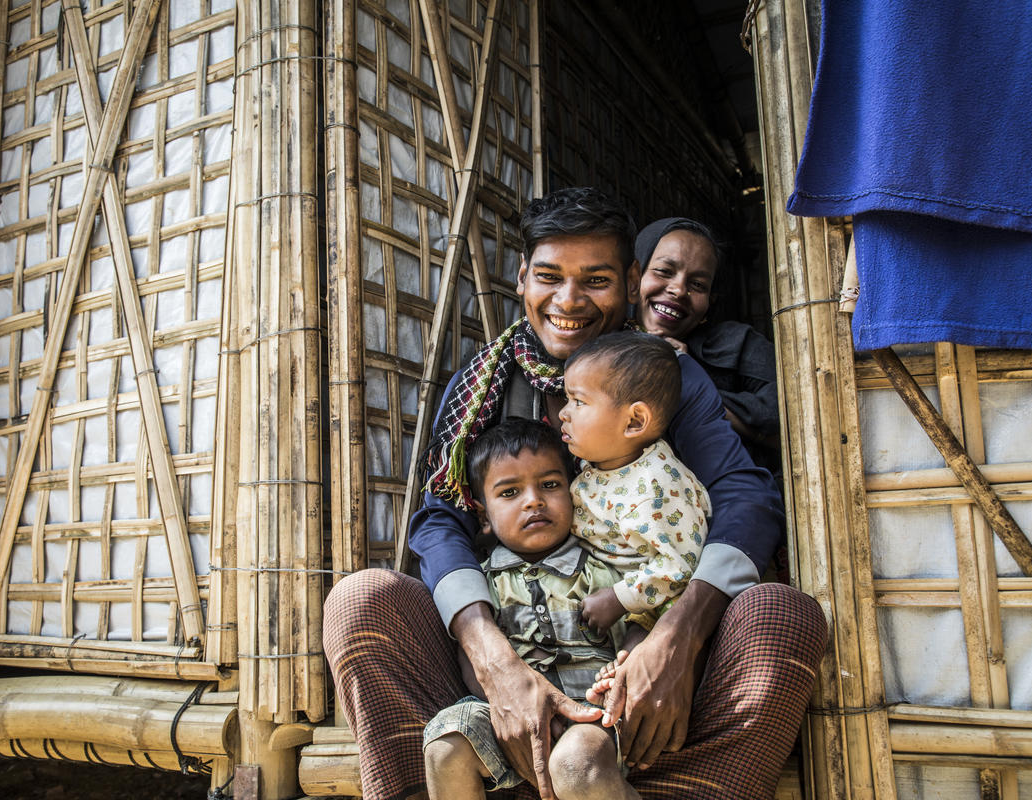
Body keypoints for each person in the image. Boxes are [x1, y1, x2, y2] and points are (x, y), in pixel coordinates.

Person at [324, 187, 827, 800]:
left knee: (782, 616)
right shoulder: (479, 386)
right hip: (501, 675)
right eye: (549, 277)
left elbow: (745, 494)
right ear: (520, 279)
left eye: (596, 279)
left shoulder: (659, 374)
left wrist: (678, 638)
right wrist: (491, 657)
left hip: (638, 675)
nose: (568, 301)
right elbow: (439, 520)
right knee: (362, 600)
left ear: (631, 280)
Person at [422, 419, 643, 800]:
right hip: (504, 717)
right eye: (510, 492)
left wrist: (628, 667)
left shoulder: (601, 570)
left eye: (550, 485)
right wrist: (502, 706)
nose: (533, 500)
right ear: (483, 517)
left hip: (589, 715)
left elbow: (638, 624)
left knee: (576, 763)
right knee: (445, 744)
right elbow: (472, 659)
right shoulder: (481, 582)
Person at [558, 331, 710, 635]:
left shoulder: (657, 488)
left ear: (634, 422)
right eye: (567, 400)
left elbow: (680, 566)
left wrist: (619, 599)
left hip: (649, 605)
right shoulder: (604, 460)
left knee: (643, 640)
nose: (564, 413)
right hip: (597, 585)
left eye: (578, 402)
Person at [634, 218, 781, 474]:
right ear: (633, 279)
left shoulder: (739, 344)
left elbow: (786, 418)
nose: (679, 290)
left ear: (709, 304)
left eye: (698, 285)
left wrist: (685, 378)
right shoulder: (600, 348)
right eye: (664, 271)